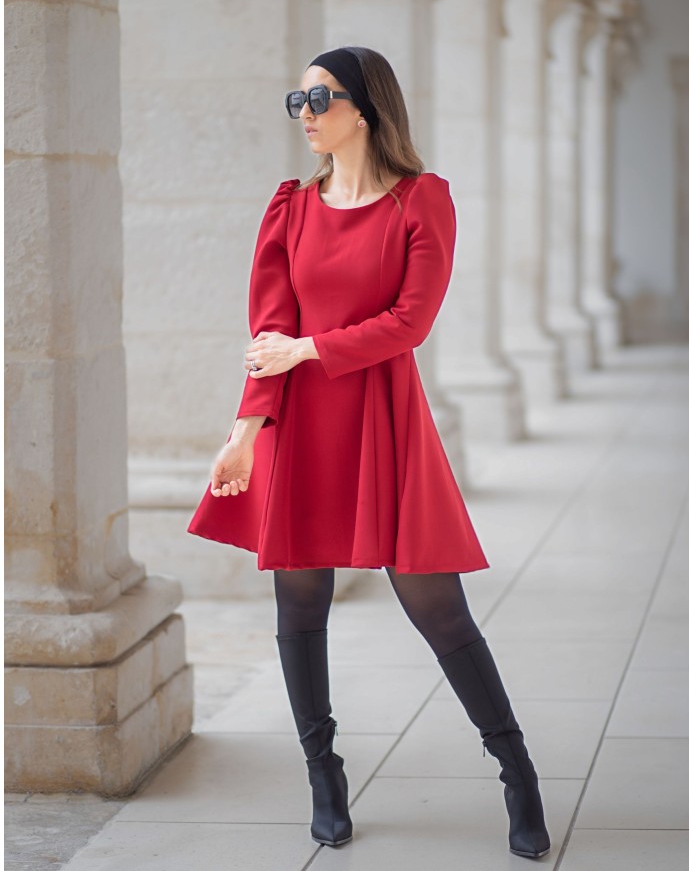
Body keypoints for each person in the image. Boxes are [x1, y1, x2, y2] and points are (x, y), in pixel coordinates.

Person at [187, 46, 550, 860]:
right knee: (299, 607)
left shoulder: (424, 201)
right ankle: (324, 775)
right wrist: (243, 432)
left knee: (439, 608)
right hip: (298, 427)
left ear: (367, 108)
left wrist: (308, 352)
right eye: (298, 100)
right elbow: (266, 335)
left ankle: (516, 771)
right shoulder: (289, 207)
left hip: (383, 418)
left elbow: (410, 324)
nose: (305, 112)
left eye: (320, 98)